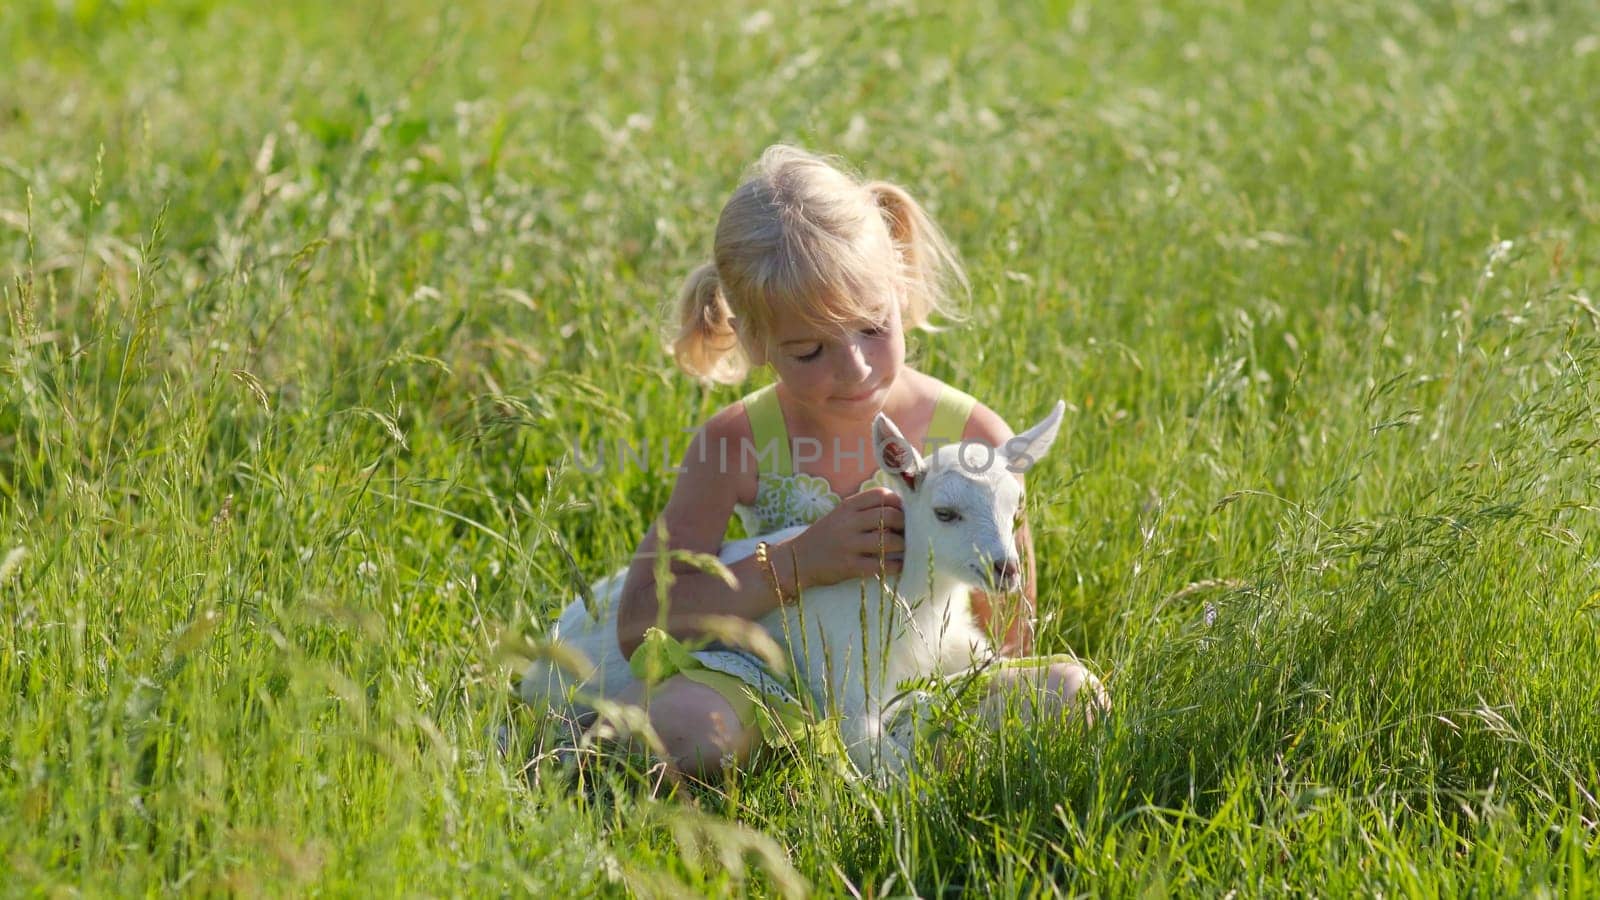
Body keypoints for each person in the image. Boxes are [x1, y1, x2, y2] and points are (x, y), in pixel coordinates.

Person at [607, 145, 1105, 780]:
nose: (856, 369)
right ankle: (602, 738)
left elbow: (1007, 630)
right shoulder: (736, 441)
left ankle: (896, 758)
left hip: (924, 679)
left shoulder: (972, 436)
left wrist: (966, 695)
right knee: (682, 731)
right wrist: (796, 564)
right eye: (809, 350)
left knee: (1070, 695)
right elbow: (639, 621)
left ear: (900, 288)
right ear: (754, 340)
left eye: (872, 327)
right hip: (774, 677)